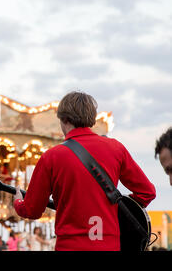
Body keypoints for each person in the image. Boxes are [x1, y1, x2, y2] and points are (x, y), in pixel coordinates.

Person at [13, 91, 156, 251]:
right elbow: (147, 192)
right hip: (109, 245)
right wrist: (118, 209)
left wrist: (18, 202)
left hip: (70, 246)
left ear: (63, 119)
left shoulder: (51, 157)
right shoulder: (116, 149)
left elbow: (32, 210)